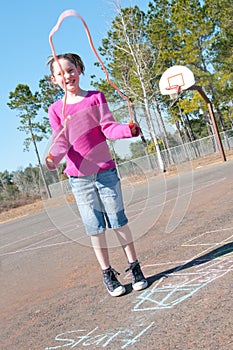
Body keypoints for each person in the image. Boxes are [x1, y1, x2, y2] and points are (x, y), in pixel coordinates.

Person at [45, 53, 148, 297]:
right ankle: (108, 273)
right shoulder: (55, 109)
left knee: (118, 221)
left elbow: (109, 128)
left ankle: (135, 268)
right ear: (53, 80)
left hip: (105, 171)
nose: (66, 76)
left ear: (79, 70)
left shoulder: (95, 98)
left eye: (70, 70)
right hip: (79, 177)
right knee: (95, 227)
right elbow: (61, 142)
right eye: (60, 74)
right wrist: (52, 159)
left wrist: (129, 130)